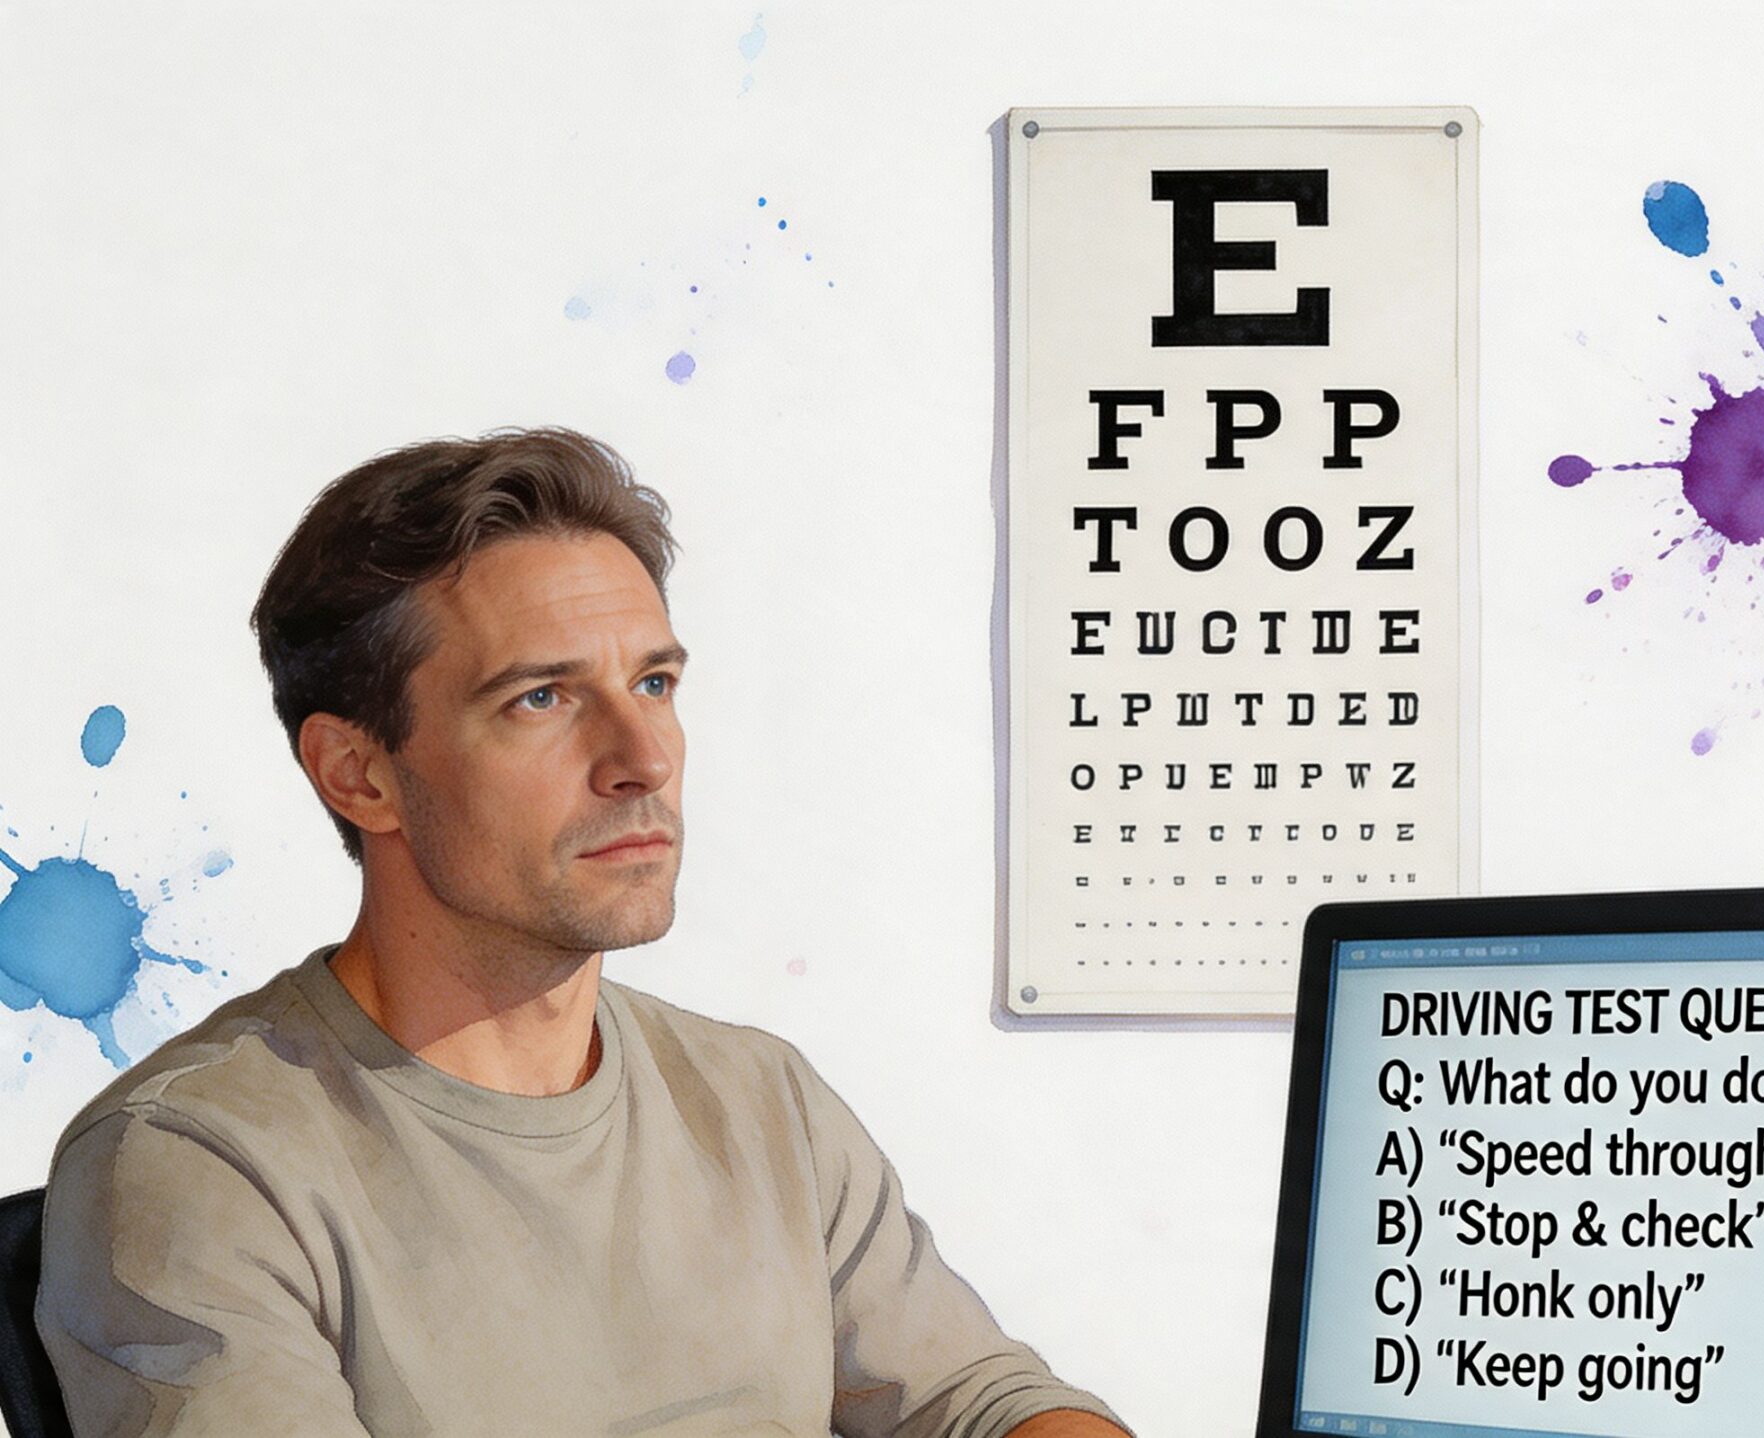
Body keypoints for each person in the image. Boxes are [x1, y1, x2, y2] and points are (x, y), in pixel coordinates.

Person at [34, 430, 1129, 1437]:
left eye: (654, 682)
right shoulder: (198, 1163)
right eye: (542, 700)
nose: (641, 756)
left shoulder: (762, 1101)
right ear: (358, 773)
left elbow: (983, 1400)